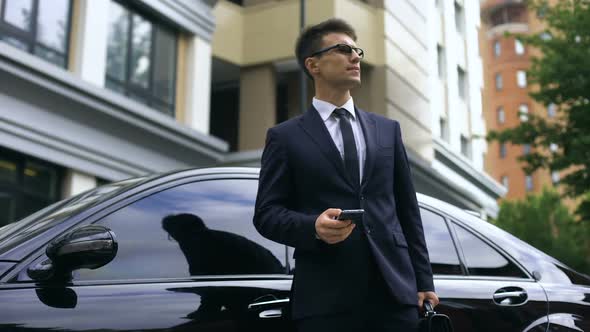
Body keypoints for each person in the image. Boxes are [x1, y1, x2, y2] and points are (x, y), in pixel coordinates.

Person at [253, 18, 439, 332]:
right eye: (343, 49)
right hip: (326, 301)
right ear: (313, 65)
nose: (355, 57)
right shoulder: (285, 137)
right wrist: (312, 226)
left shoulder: (387, 130)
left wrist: (423, 279)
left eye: (357, 51)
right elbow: (266, 214)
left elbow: (408, 210)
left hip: (395, 295)